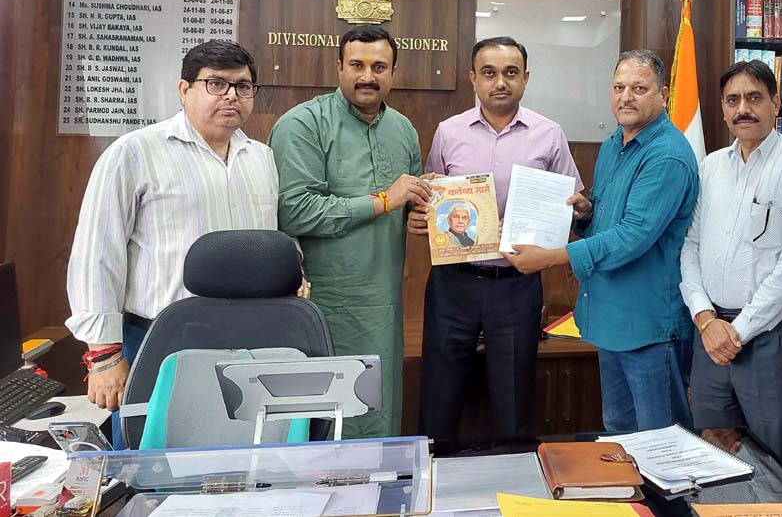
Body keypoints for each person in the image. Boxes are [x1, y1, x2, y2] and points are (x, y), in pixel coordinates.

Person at [65, 40, 277, 448]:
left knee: (237, 460)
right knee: (155, 463)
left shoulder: (261, 158)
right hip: (160, 338)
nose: (232, 95)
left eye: (243, 86)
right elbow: (97, 254)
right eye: (216, 84)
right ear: (184, 90)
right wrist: (104, 355)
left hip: (248, 339)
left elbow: (269, 240)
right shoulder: (135, 152)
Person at [503, 50, 699, 432]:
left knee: (663, 446)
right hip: (612, 322)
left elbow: (632, 237)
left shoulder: (668, 156)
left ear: (664, 94)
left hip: (648, 328)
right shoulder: (613, 144)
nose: (626, 96)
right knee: (620, 435)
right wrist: (587, 212)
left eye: (639, 88)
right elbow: (613, 217)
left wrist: (550, 258)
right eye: (618, 87)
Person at [410, 36, 583, 441]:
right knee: (440, 393)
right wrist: (424, 208)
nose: (499, 82)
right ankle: (435, 485)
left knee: (514, 399)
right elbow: (433, 195)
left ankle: (515, 490)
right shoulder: (448, 132)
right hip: (455, 282)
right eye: (489, 73)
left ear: (526, 78)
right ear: (473, 78)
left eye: (510, 73)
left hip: (516, 285)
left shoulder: (549, 134)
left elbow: (573, 201)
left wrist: (572, 211)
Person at [270, 25, 431, 438]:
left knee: (379, 411)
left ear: (393, 72)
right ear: (339, 68)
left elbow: (405, 203)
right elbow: (294, 212)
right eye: (357, 65)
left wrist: (417, 214)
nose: (367, 76)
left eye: (379, 66)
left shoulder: (404, 129)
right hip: (324, 305)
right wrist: (383, 201)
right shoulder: (303, 124)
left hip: (384, 304)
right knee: (328, 420)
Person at [679, 60, 782, 468]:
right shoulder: (710, 167)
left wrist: (737, 331)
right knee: (712, 455)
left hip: (768, 339)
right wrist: (706, 320)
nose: (743, 108)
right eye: (733, 100)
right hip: (709, 338)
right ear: (723, 110)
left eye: (754, 97)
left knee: (775, 460)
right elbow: (689, 248)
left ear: (776, 103)